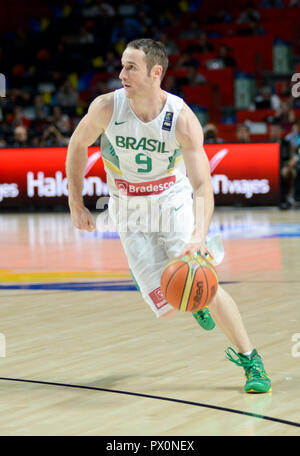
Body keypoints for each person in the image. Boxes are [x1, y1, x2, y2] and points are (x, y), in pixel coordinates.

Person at [66, 38, 271, 393]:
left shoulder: (182, 118)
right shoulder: (106, 107)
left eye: (131, 67)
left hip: (171, 201)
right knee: (167, 305)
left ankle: (252, 360)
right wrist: (75, 201)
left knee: (205, 283)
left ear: (155, 72)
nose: (121, 74)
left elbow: (203, 186)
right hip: (128, 209)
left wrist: (198, 238)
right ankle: (190, 298)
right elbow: (77, 145)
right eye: (122, 65)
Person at [269, 121, 297, 208]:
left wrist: (289, 165)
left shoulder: (286, 143)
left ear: (281, 131)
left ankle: (287, 197)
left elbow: (292, 158)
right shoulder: (266, 143)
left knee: (288, 172)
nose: (275, 132)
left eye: (277, 130)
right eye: (273, 130)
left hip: (283, 168)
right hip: (269, 168)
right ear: (270, 132)